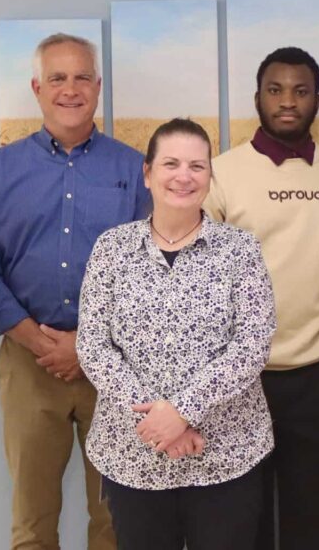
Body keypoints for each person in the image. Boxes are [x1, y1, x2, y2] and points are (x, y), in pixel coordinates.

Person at [0, 33, 150, 549]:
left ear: (98, 86)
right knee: (31, 518)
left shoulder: (133, 169)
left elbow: (145, 272)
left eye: (81, 77)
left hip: (116, 366)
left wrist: (87, 344)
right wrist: (33, 338)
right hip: (28, 363)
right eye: (57, 78)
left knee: (116, 516)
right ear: (37, 88)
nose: (70, 89)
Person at [76, 118, 276, 550]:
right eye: (170, 164)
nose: (183, 176)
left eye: (197, 166)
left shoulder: (240, 250)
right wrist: (159, 422)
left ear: (209, 177)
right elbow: (93, 345)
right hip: (134, 456)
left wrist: (183, 410)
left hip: (225, 454)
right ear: (147, 173)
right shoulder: (112, 249)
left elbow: (252, 346)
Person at [204, 46, 319, 549]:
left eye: (300, 91)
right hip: (239, 377)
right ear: (257, 98)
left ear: (318, 99)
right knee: (239, 520)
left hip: (318, 375)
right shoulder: (220, 174)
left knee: (312, 518)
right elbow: (203, 278)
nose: (287, 101)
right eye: (275, 90)